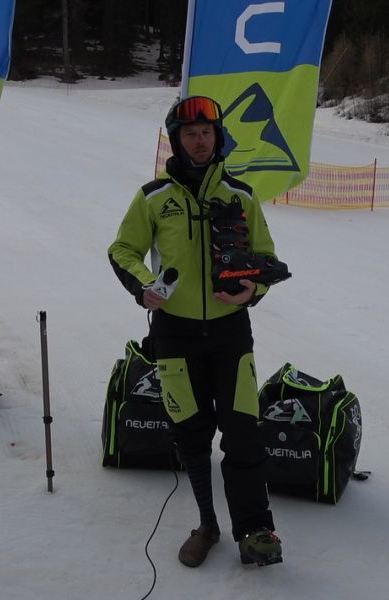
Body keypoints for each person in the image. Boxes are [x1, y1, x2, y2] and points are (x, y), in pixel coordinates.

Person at [108, 95, 284, 568]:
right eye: (190, 134)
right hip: (175, 334)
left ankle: (255, 530)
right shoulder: (154, 198)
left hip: (231, 334)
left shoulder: (241, 196)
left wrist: (251, 292)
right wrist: (144, 286)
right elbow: (123, 249)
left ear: (218, 136)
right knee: (190, 433)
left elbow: (264, 259)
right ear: (177, 140)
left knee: (243, 431)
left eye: (207, 132)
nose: (200, 141)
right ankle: (207, 524)